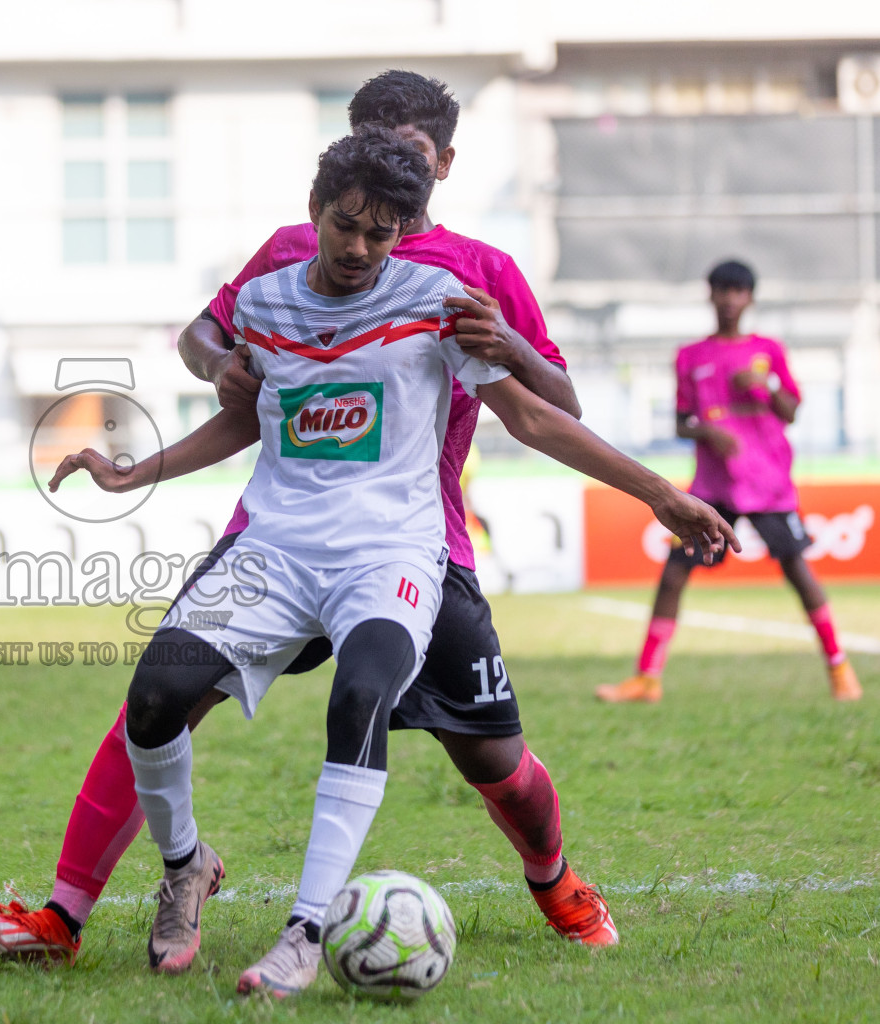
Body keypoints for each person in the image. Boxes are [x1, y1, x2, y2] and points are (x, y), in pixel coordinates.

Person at [40, 127, 736, 997]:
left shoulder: (441, 301)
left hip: (391, 553)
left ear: (406, 230)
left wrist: (658, 493)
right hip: (276, 549)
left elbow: (534, 416)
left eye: (381, 234)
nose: (361, 248)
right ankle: (185, 864)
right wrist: (136, 472)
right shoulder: (265, 303)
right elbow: (248, 417)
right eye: (346, 226)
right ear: (315, 213)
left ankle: (304, 932)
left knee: (362, 695)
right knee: (154, 697)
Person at [0, 70, 618, 971]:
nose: (370, 225)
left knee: (494, 757)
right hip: (275, 533)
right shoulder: (283, 253)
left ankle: (553, 880)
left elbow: (555, 402)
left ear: (444, 166)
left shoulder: (479, 273)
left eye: (410, 167)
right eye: (360, 183)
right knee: (158, 701)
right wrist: (222, 361)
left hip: (416, 540)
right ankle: (68, 912)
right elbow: (202, 341)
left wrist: (507, 343)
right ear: (329, 184)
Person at [597, 260, 863, 704]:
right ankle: (647, 679)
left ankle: (840, 669)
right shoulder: (690, 356)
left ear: (750, 298)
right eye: (722, 290)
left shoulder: (769, 350)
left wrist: (764, 385)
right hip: (713, 488)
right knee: (675, 572)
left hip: (768, 483)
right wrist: (708, 431)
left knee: (798, 571)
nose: (729, 299)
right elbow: (682, 423)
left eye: (738, 291)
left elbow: (790, 411)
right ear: (711, 294)